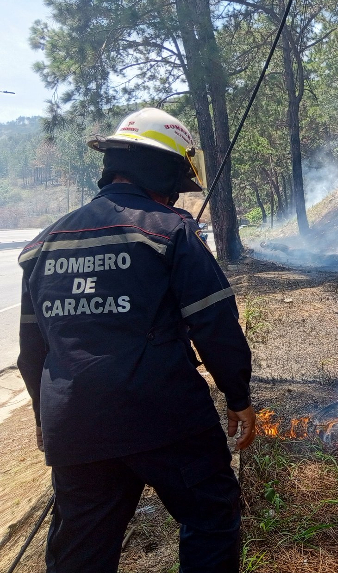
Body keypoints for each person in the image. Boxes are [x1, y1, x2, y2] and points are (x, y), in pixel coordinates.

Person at [17, 108, 255, 573]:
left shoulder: (44, 245)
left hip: (75, 424)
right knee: (210, 516)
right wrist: (238, 395)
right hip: (164, 416)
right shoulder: (171, 231)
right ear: (165, 171)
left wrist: (44, 415)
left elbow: (33, 353)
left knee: (80, 551)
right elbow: (216, 325)